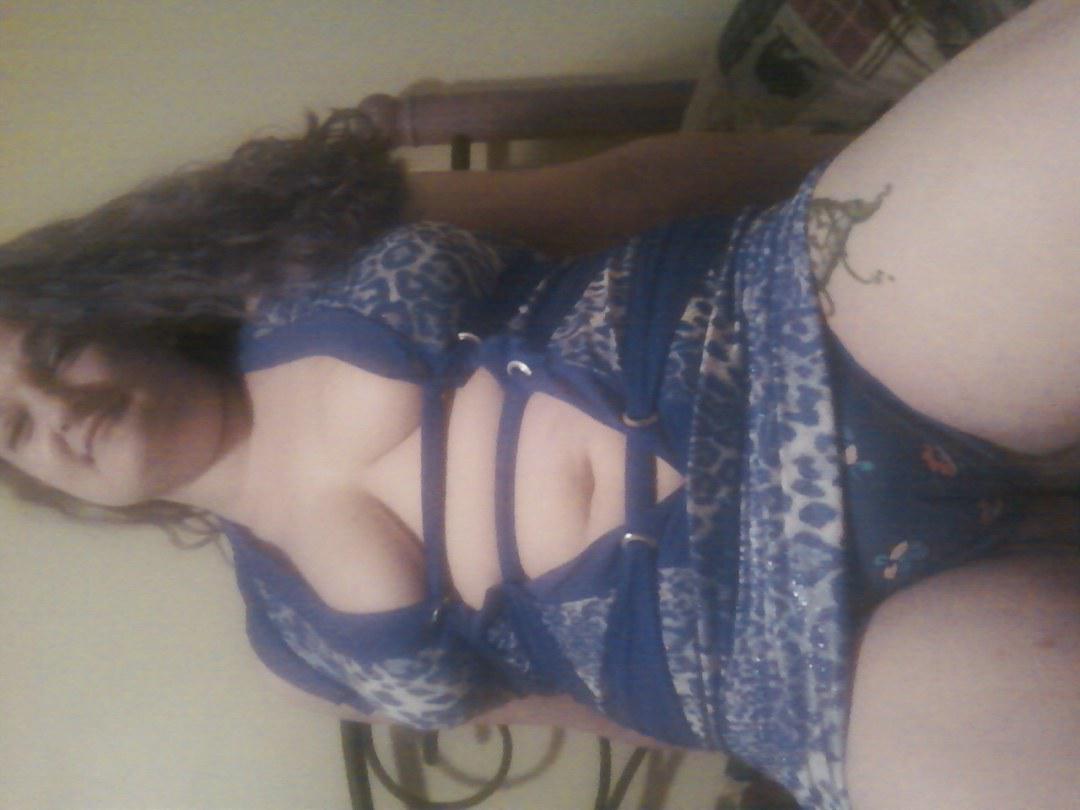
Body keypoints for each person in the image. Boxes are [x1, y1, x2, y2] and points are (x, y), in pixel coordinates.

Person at [1, 1, 1077, 807]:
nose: (56, 406)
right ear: (31, 478)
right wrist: (779, 752)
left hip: (801, 330)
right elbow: (578, 713)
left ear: (103, 312)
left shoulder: (291, 259)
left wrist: (886, 161)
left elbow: (617, 192)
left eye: (49, 350)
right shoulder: (291, 651)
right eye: (10, 428)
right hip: (797, 676)